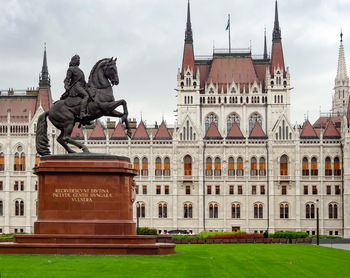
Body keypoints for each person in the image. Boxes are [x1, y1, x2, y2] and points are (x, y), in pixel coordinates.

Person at [63, 54, 90, 119]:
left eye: (79, 59)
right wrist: (66, 86)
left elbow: (83, 81)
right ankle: (82, 113)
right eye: (77, 59)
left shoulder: (80, 70)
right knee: (86, 96)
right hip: (76, 87)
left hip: (82, 86)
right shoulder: (70, 69)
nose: (79, 60)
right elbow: (67, 79)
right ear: (74, 60)